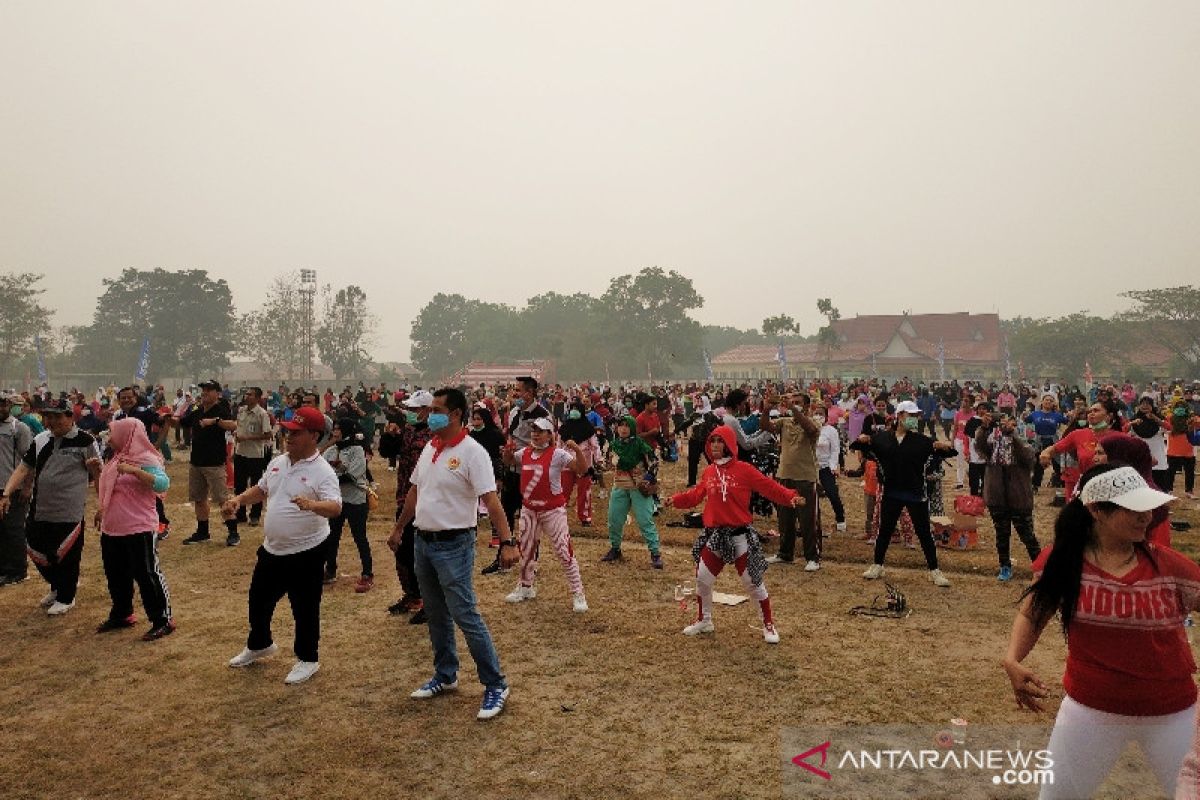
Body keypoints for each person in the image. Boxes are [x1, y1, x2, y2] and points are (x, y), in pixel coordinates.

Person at [1001, 463, 1197, 799]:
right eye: (1134, 509)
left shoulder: (1170, 566)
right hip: (1090, 709)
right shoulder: (1063, 561)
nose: (1146, 517)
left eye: (1148, 507)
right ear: (1096, 510)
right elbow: (1035, 613)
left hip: (1173, 711)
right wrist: (1012, 659)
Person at [387, 387, 518, 720]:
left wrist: (507, 541)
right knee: (436, 613)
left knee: (465, 614)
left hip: (454, 544)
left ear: (456, 414)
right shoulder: (432, 446)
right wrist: (400, 527)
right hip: (423, 541)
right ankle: (446, 674)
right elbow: (415, 492)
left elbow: (491, 501)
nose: (430, 415)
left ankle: (496, 684)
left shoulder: (473, 453)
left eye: (437, 409)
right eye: (430, 409)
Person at [222, 406, 342, 685]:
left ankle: (307, 659)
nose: (288, 436)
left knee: (305, 607)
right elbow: (263, 489)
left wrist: (312, 505)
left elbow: (335, 507)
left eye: (296, 432)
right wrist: (238, 500)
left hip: (307, 550)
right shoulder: (278, 461)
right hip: (272, 549)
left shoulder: (322, 471)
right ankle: (260, 644)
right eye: (287, 431)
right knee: (258, 600)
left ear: (314, 435)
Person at [666, 426, 803, 643]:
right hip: (716, 536)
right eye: (713, 441)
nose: (715, 446)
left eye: (720, 441)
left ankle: (768, 625)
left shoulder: (744, 470)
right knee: (702, 578)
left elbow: (768, 487)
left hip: (740, 536)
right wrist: (676, 499)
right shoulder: (709, 471)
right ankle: (704, 620)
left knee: (753, 582)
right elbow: (696, 495)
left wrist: (790, 496)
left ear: (729, 444)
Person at [0, 399, 101, 615]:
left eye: (56, 417)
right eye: (48, 416)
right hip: (40, 509)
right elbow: (23, 469)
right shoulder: (40, 440)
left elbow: (98, 474)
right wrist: (7, 492)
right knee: (36, 549)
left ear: (70, 417)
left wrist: (102, 504)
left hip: (69, 511)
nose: (51, 421)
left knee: (67, 556)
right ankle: (57, 586)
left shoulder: (85, 441)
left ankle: (66, 596)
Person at [852, 400, 956, 587]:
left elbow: (949, 453)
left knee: (924, 533)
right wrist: (863, 440)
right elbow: (860, 447)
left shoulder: (922, 441)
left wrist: (943, 447)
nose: (915, 419)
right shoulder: (882, 438)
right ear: (900, 416)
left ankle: (934, 570)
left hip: (915, 493)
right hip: (891, 492)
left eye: (916, 416)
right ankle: (877, 565)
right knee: (884, 530)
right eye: (911, 415)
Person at [94, 418, 174, 639]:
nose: (109, 438)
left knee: (146, 573)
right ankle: (122, 614)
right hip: (113, 528)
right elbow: (111, 488)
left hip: (139, 527)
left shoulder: (145, 458)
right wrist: (102, 508)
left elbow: (162, 484)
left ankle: (162, 619)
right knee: (116, 573)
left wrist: (135, 471)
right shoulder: (116, 458)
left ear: (126, 434)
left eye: (112, 433)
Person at [501, 417, 590, 612]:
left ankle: (578, 593)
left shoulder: (558, 454)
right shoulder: (524, 452)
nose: (535, 433)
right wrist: (506, 454)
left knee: (564, 551)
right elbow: (509, 461)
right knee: (526, 549)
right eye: (533, 430)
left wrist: (576, 449)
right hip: (529, 509)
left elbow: (582, 470)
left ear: (550, 435)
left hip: (553, 511)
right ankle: (525, 586)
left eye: (540, 431)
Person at [975, 409, 1040, 582]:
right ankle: (1004, 566)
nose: (1005, 425)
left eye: (1009, 421)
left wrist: (1014, 436)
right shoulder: (992, 441)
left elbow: (1030, 457)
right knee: (1001, 534)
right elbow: (980, 447)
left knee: (1027, 535)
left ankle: (1040, 567)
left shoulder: (1025, 435)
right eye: (1001, 422)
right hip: (997, 495)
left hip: (1019, 496)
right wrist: (983, 428)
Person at [760, 391, 822, 571]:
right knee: (785, 518)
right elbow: (765, 426)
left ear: (807, 406)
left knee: (808, 520)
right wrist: (766, 409)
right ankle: (785, 553)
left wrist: (793, 409)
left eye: (798, 402)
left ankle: (813, 557)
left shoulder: (814, 421)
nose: (793, 404)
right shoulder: (784, 422)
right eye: (792, 401)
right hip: (785, 475)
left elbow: (810, 430)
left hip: (805, 477)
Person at [180, 380, 240, 546]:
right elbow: (181, 422)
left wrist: (215, 421)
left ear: (217, 393)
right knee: (199, 499)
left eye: (209, 390)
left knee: (222, 499)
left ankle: (233, 533)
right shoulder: (197, 411)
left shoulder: (221, 409)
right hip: (196, 462)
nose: (204, 392)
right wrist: (166, 417)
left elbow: (233, 425)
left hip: (214, 463)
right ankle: (202, 532)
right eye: (203, 390)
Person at [601, 415, 663, 568]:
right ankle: (615, 549)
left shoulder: (640, 444)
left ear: (632, 428)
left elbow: (654, 461)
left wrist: (648, 477)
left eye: (626, 426)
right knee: (614, 519)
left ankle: (655, 553)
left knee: (644, 520)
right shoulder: (614, 445)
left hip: (638, 487)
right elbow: (606, 464)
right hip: (620, 486)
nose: (623, 429)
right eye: (620, 425)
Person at [321, 418, 374, 592]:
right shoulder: (330, 451)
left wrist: (332, 479)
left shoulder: (357, 450)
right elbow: (322, 473)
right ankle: (330, 570)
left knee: (360, 537)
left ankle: (367, 573)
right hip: (336, 501)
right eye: (334, 429)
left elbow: (352, 475)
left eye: (338, 429)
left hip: (356, 500)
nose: (334, 432)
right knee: (332, 536)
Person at [0, 394, 34, 586]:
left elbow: (29, 461)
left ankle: (18, 570)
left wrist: (27, 487)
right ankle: (4, 569)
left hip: (13, 488)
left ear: (9, 405)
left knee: (13, 529)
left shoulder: (19, 428)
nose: (1, 408)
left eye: (3, 404)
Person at [233, 387, 273, 527]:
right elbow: (238, 428)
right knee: (239, 486)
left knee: (256, 486)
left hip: (255, 455)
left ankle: (255, 515)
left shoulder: (262, 414)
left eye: (250, 395)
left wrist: (248, 437)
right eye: (246, 394)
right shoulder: (241, 411)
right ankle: (240, 514)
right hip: (240, 453)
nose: (247, 396)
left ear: (257, 398)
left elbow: (268, 434)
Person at [813, 403, 847, 535]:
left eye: (821, 414)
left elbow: (835, 450)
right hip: (811, 467)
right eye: (816, 413)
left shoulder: (831, 431)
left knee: (832, 493)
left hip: (825, 467)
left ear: (826, 416)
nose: (818, 416)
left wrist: (833, 466)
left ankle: (840, 519)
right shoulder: (810, 428)